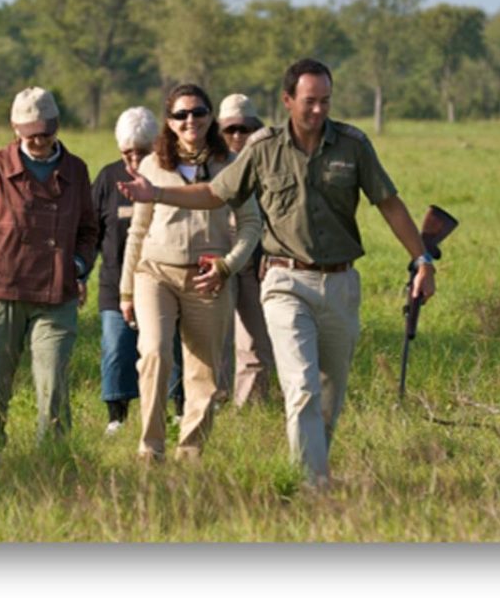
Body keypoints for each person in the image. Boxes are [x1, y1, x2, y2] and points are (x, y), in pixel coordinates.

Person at [119, 59, 436, 486]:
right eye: (309, 102)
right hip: (285, 280)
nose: (319, 111)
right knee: (301, 385)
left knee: (328, 393)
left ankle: (313, 467)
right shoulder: (263, 146)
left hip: (341, 282)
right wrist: (155, 192)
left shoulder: (353, 145)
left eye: (326, 101)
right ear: (287, 101)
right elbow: (216, 193)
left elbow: (389, 203)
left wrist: (422, 260)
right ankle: (310, 485)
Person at [0, 87, 98, 478]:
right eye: (30, 134)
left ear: (57, 127)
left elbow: (89, 230)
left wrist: (78, 266)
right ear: (15, 129)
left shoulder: (76, 170)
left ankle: (53, 462)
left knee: (53, 383)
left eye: (45, 132)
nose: (39, 141)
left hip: (56, 293)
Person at [119, 84, 262, 462]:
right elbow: (137, 229)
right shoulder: (153, 165)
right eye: (181, 115)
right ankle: (150, 449)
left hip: (207, 276)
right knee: (154, 353)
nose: (190, 121)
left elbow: (251, 225)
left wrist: (227, 266)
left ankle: (191, 453)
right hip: (155, 272)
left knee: (204, 371)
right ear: (169, 122)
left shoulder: (230, 166)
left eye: (198, 112)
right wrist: (126, 291)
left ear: (211, 116)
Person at [91, 106, 157, 435]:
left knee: (164, 349)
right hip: (114, 283)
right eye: (127, 153)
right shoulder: (107, 178)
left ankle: (175, 408)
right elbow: (91, 233)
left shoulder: (167, 177)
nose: (134, 161)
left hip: (160, 281)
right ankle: (117, 415)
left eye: (142, 153)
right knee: (116, 346)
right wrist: (78, 274)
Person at [215, 93, 274, 407]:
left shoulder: (269, 163)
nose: (238, 136)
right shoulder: (208, 164)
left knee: (255, 340)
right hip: (218, 259)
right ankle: (216, 402)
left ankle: (252, 407)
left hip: (255, 260)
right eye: (230, 129)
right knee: (218, 338)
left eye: (245, 129)